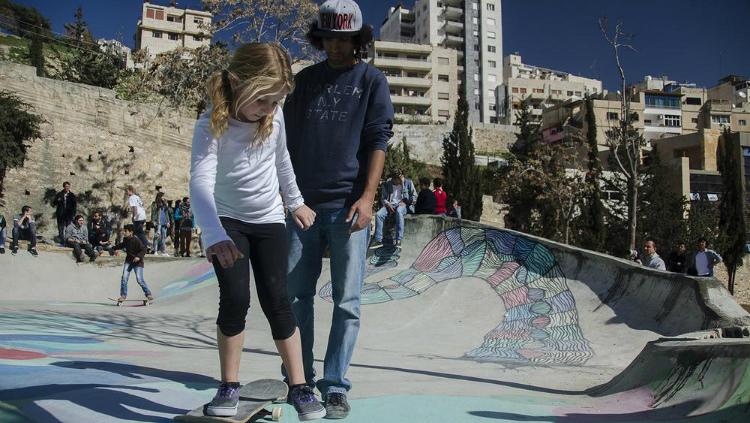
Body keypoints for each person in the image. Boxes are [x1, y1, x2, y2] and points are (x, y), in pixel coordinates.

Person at [190, 42, 325, 420]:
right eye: (263, 100)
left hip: (268, 219)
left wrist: (295, 201)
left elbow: (282, 161)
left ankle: (300, 385)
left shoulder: (275, 116)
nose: (269, 109)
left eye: (275, 101)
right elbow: (200, 180)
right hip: (227, 222)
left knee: (278, 301)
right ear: (236, 82)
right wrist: (213, 233)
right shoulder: (210, 124)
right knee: (235, 300)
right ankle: (229, 385)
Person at [282, 0, 393, 417]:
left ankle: (334, 385)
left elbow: (378, 140)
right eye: (328, 37)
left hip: (350, 208)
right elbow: (285, 144)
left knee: (347, 301)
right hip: (303, 207)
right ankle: (299, 380)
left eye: (343, 39)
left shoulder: (371, 80)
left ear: (357, 40)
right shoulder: (305, 82)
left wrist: (367, 198)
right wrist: (288, 197)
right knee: (296, 298)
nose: (335, 46)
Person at [372, 170, 417, 248]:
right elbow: (383, 198)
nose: (401, 181)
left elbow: (414, 196)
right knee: (379, 214)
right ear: (393, 178)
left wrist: (406, 201)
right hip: (390, 205)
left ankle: (398, 240)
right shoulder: (387, 184)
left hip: (403, 205)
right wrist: (387, 204)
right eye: (398, 179)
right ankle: (378, 240)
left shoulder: (408, 183)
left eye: (402, 178)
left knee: (399, 211)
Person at [112, 224, 154, 303]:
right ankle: (123, 295)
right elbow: (121, 245)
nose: (124, 232)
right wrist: (113, 248)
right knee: (124, 278)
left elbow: (144, 249)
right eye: (124, 231)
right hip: (129, 261)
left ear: (131, 232)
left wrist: (138, 256)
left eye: (126, 231)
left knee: (139, 279)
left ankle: (148, 294)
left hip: (138, 263)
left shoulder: (136, 240)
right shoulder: (126, 239)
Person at [126, 185, 150, 250]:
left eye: (127, 191)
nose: (126, 192)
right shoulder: (137, 197)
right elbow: (141, 206)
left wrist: (134, 217)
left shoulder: (131, 198)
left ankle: (145, 246)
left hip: (138, 217)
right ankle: (136, 246)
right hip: (143, 216)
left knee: (139, 233)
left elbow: (135, 208)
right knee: (136, 233)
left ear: (130, 191)